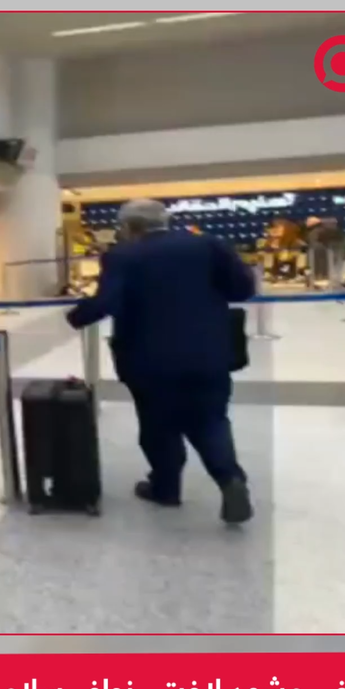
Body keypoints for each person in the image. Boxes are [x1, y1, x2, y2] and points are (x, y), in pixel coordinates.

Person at [66, 199, 255, 524]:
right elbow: (242, 289)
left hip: (147, 358)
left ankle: (165, 488)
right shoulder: (208, 245)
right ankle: (230, 479)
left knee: (157, 423)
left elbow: (107, 301)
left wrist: (75, 316)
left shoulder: (122, 255)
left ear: (130, 227)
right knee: (211, 420)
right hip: (208, 352)